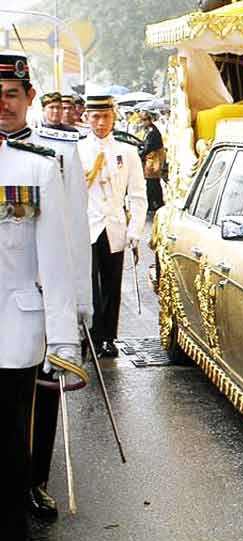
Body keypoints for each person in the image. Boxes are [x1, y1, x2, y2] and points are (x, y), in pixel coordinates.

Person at [0, 54, 93, 524]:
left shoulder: (50, 157)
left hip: (24, 316)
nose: (2, 105)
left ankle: (30, 486)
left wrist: (76, 310)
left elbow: (69, 241)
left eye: (11, 94)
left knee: (28, 416)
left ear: (29, 98)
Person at [77, 87, 148, 358]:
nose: (101, 123)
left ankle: (108, 337)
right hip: (85, 225)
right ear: (86, 117)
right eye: (95, 117)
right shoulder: (77, 150)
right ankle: (89, 335)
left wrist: (135, 230)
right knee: (87, 284)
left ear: (114, 117)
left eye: (106, 116)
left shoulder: (127, 152)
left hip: (114, 226)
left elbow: (139, 196)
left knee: (111, 284)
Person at [139, 111, 165, 214]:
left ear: (150, 120)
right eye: (142, 120)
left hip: (154, 160)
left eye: (145, 120)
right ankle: (154, 203)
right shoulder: (150, 130)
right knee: (153, 183)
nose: (143, 122)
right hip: (152, 159)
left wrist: (140, 154)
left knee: (152, 183)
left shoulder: (153, 132)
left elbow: (148, 147)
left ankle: (154, 204)